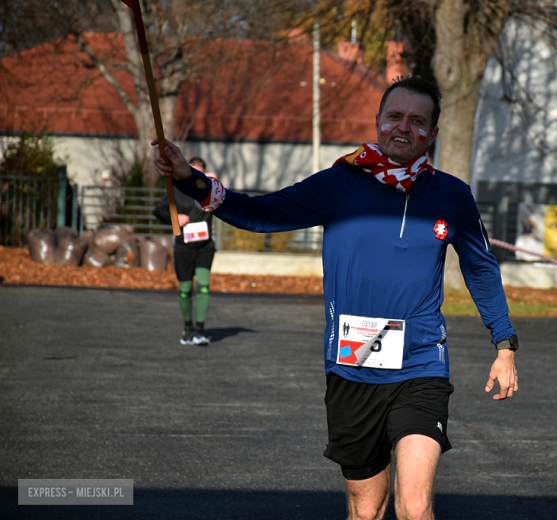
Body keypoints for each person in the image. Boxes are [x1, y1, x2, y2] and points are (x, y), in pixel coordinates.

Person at [153, 77, 519, 520]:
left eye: (418, 121)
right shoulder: (340, 182)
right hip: (352, 364)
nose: (404, 127)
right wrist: (191, 180)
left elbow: (481, 268)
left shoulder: (452, 195)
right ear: (378, 122)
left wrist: (504, 345)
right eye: (395, 117)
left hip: (422, 365)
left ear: (433, 135)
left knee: (415, 505)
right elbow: (261, 213)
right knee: (365, 509)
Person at [153, 157, 217, 346]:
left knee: (204, 286)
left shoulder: (209, 190)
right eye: (192, 172)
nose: (195, 176)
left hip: (205, 246)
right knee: (185, 289)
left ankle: (201, 330)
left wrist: (213, 180)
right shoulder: (176, 190)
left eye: (200, 173)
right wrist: (175, 217)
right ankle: (188, 328)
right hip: (183, 247)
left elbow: (225, 195)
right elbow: (158, 211)